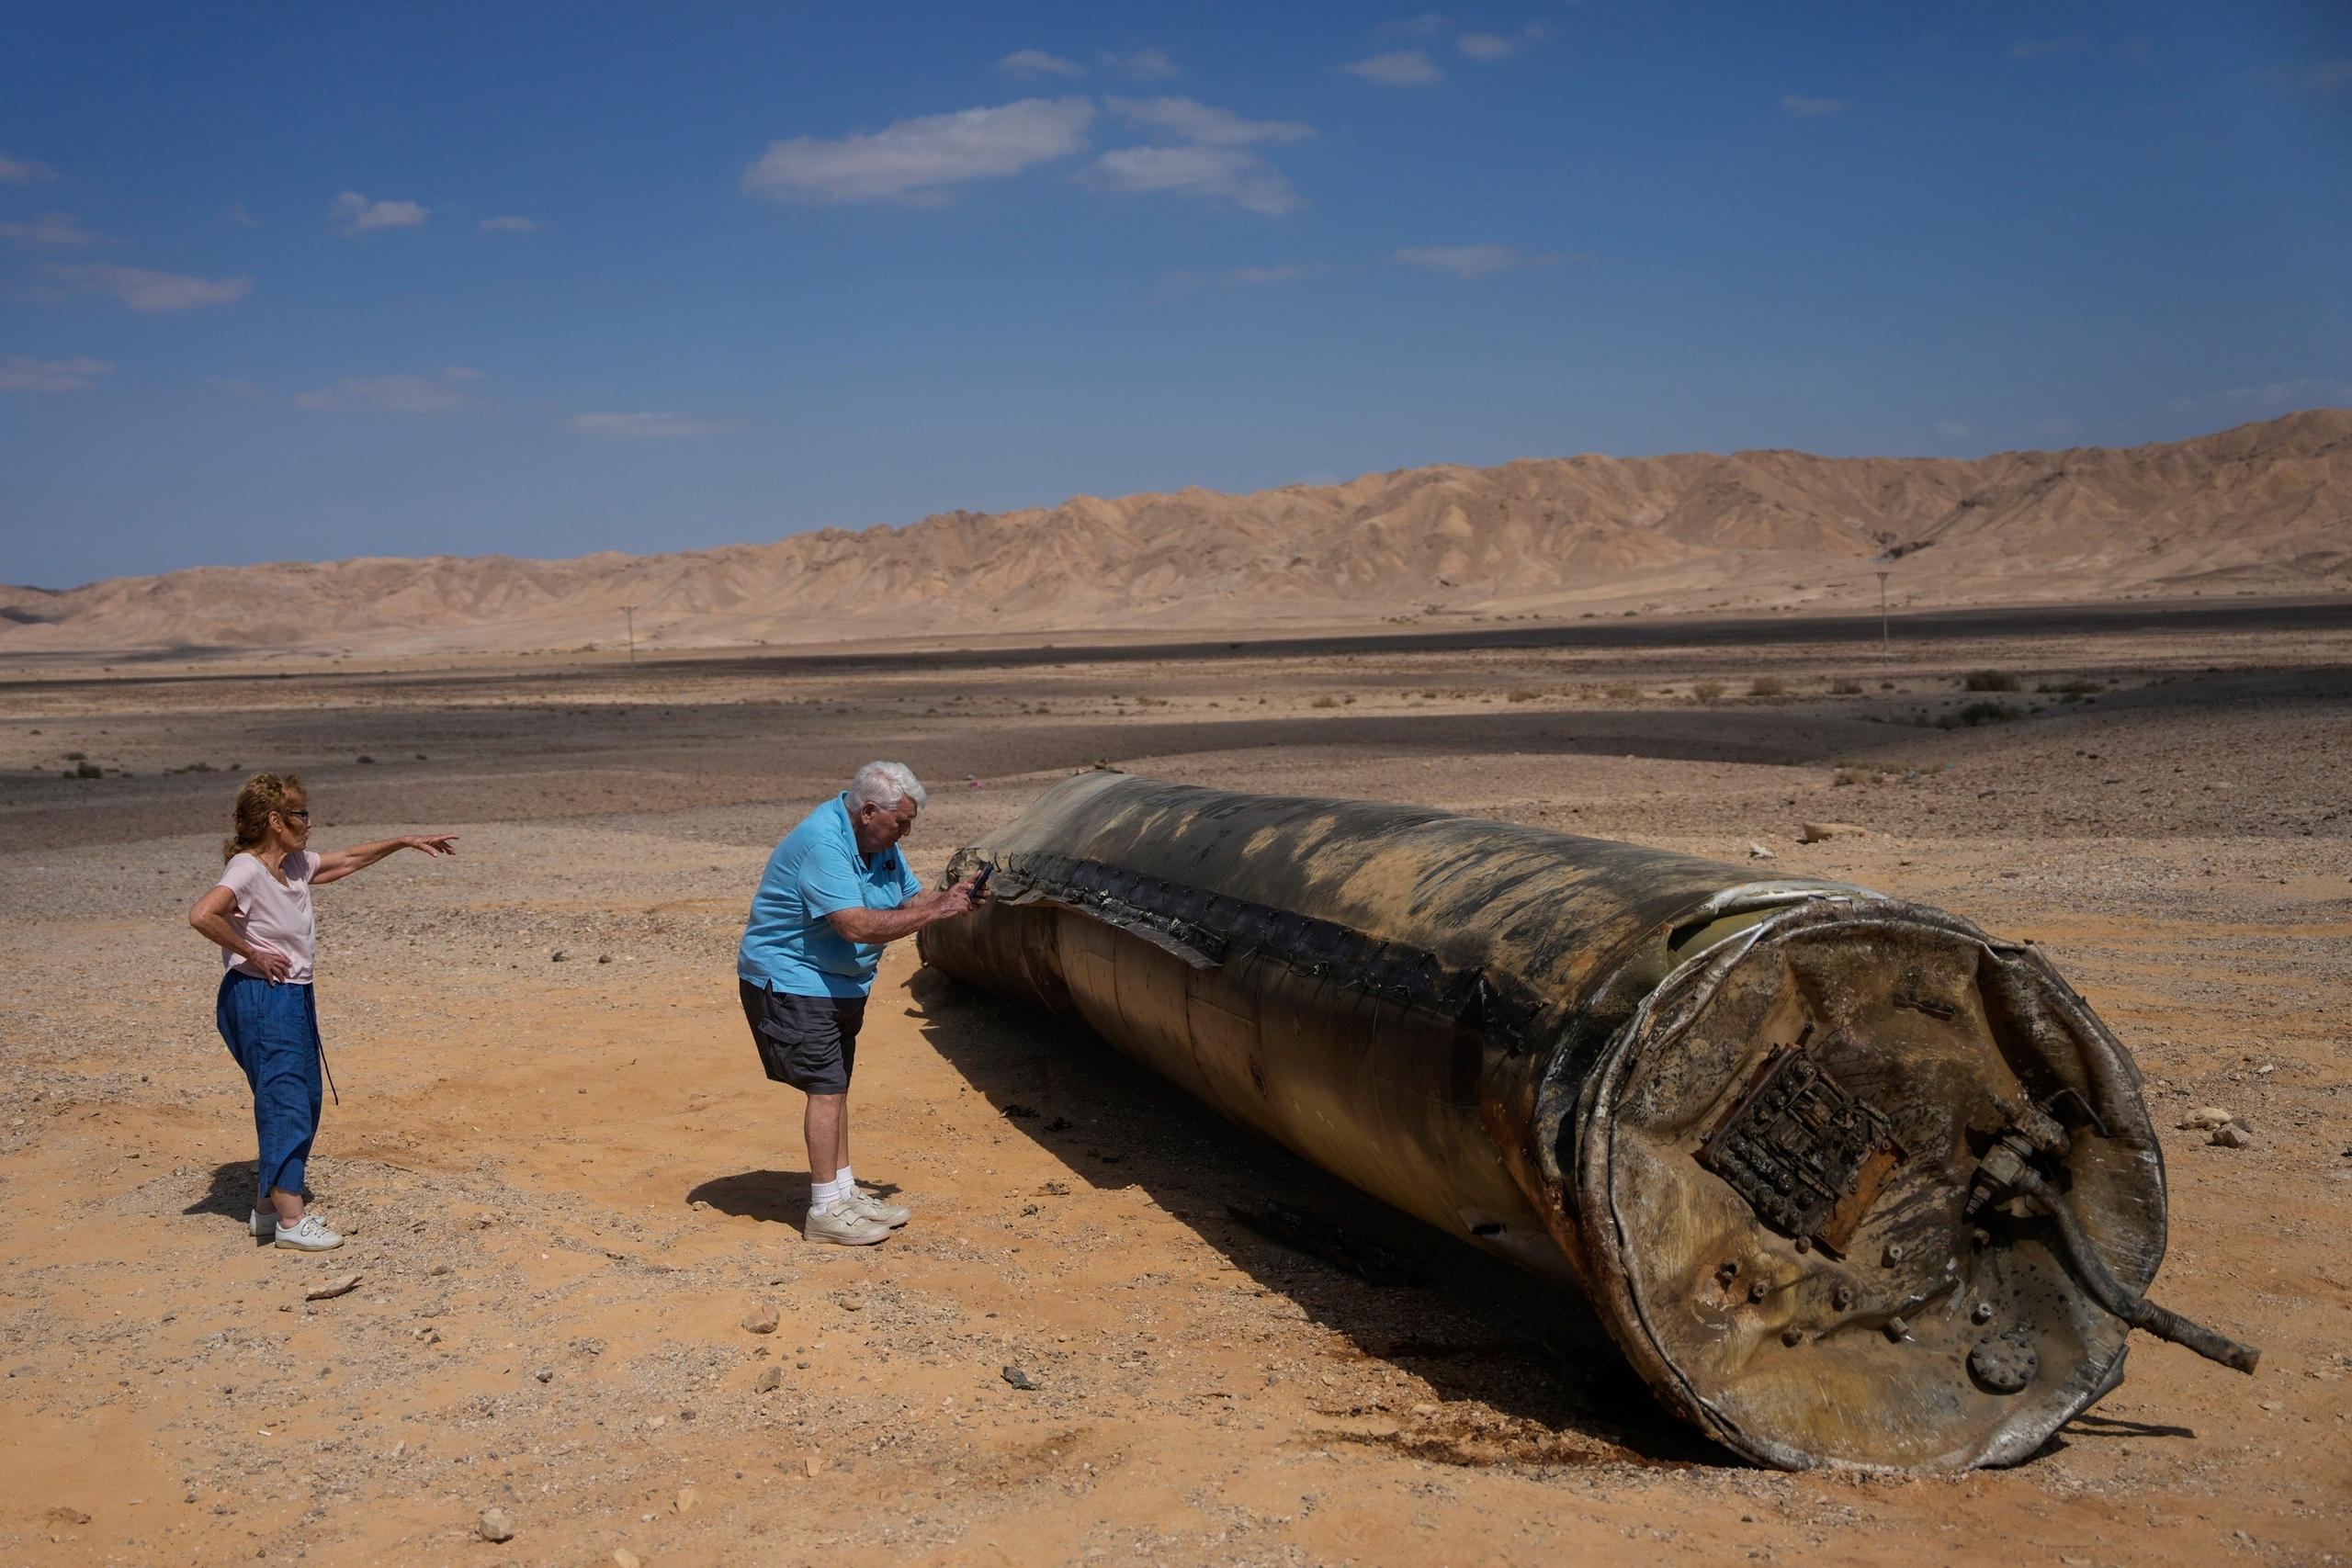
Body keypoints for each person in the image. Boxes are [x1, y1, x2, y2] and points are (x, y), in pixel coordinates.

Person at [187, 773, 457, 1251]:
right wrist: (252, 952)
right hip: (262, 997)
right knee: (287, 1098)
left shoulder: (290, 866)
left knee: (298, 1095)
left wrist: (405, 841)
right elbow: (202, 914)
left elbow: (348, 860)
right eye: (301, 814)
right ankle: (292, 1220)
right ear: (275, 820)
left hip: (289, 996)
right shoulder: (247, 869)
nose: (309, 824)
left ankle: (268, 1212)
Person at [738, 761, 987, 1245]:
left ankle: (844, 1193)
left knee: (835, 1086)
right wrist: (939, 911)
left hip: (840, 982)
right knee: (826, 1088)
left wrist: (950, 897)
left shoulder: (878, 841)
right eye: (902, 823)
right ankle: (825, 1212)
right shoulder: (823, 844)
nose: (907, 833)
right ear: (870, 810)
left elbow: (906, 900)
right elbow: (853, 924)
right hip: (793, 980)